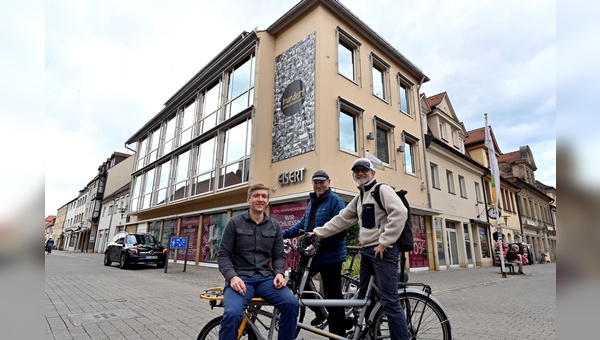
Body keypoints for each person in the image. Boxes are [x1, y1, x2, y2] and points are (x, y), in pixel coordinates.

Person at [312, 158, 410, 340]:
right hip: (368, 252)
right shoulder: (360, 198)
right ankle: (373, 334)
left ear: (373, 173)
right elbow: (341, 220)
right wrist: (317, 233)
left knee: (390, 301)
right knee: (365, 299)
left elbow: (400, 212)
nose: (360, 173)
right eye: (356, 171)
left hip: (383, 251)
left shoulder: (382, 190)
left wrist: (385, 240)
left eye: (364, 170)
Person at [217, 183, 299, 340]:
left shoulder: (274, 226)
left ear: (267, 201)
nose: (260, 199)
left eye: (264, 196)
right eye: (256, 196)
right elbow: (224, 255)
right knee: (232, 313)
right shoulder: (234, 223)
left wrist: (280, 273)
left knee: (291, 304)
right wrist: (232, 277)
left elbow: (279, 255)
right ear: (249, 199)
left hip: (265, 279)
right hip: (241, 279)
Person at [282, 170, 347, 335]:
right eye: (315, 182)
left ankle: (338, 335)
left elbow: (341, 231)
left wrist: (320, 244)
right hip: (313, 254)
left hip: (330, 256)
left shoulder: (335, 201)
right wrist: (281, 234)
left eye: (322, 182)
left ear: (329, 182)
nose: (318, 185)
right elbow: (302, 225)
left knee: (334, 298)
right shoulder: (313, 201)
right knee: (298, 281)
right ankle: (319, 312)